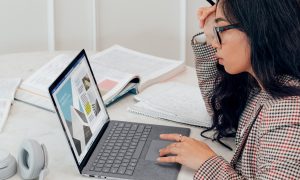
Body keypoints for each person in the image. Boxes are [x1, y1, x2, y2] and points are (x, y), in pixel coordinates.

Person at [157, 0, 300, 179]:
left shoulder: (288, 112)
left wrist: (207, 163)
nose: (214, 44)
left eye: (221, 29)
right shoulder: (268, 84)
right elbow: (223, 112)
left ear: (258, 29)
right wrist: (211, 30)